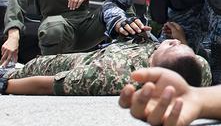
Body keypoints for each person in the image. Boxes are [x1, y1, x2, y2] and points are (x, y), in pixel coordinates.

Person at [0, 28, 209, 96]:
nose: (173, 41)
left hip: (80, 63)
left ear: (156, 69)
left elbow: (49, 84)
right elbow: (181, 63)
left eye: (173, 46)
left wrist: (7, 86)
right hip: (117, 47)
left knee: (28, 68)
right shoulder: (199, 67)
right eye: (182, 46)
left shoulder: (112, 75)